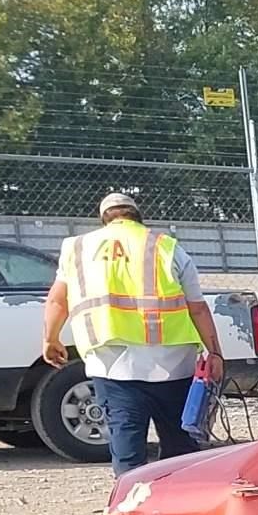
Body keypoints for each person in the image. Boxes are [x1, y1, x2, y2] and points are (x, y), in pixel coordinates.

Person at [42, 190, 226, 478]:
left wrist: (51, 338)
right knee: (181, 452)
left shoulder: (78, 249)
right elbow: (198, 308)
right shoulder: (166, 247)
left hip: (113, 368)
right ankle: (180, 512)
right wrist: (215, 352)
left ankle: (133, 513)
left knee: (127, 452)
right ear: (138, 217)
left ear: (105, 220)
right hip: (172, 365)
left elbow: (56, 300)